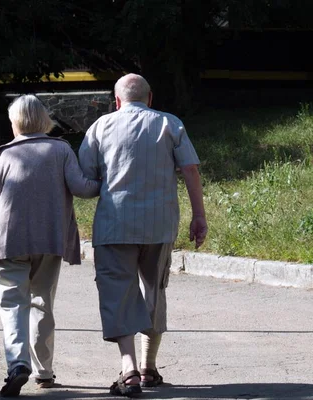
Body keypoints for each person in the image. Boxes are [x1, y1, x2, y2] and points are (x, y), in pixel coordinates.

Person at [78, 73, 208, 397]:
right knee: (154, 291)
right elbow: (190, 169)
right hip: (159, 226)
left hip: (113, 226)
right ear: (150, 99)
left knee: (116, 294)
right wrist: (199, 216)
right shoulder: (170, 124)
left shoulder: (100, 127)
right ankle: (149, 367)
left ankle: (129, 370)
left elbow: (85, 178)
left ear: (117, 100)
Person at [0, 94, 100, 397]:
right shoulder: (60, 149)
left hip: (8, 239)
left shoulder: (5, 155)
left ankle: (17, 363)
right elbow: (82, 188)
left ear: (16, 123)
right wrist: (107, 180)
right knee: (42, 303)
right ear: (44, 120)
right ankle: (43, 372)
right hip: (49, 239)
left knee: (12, 303)